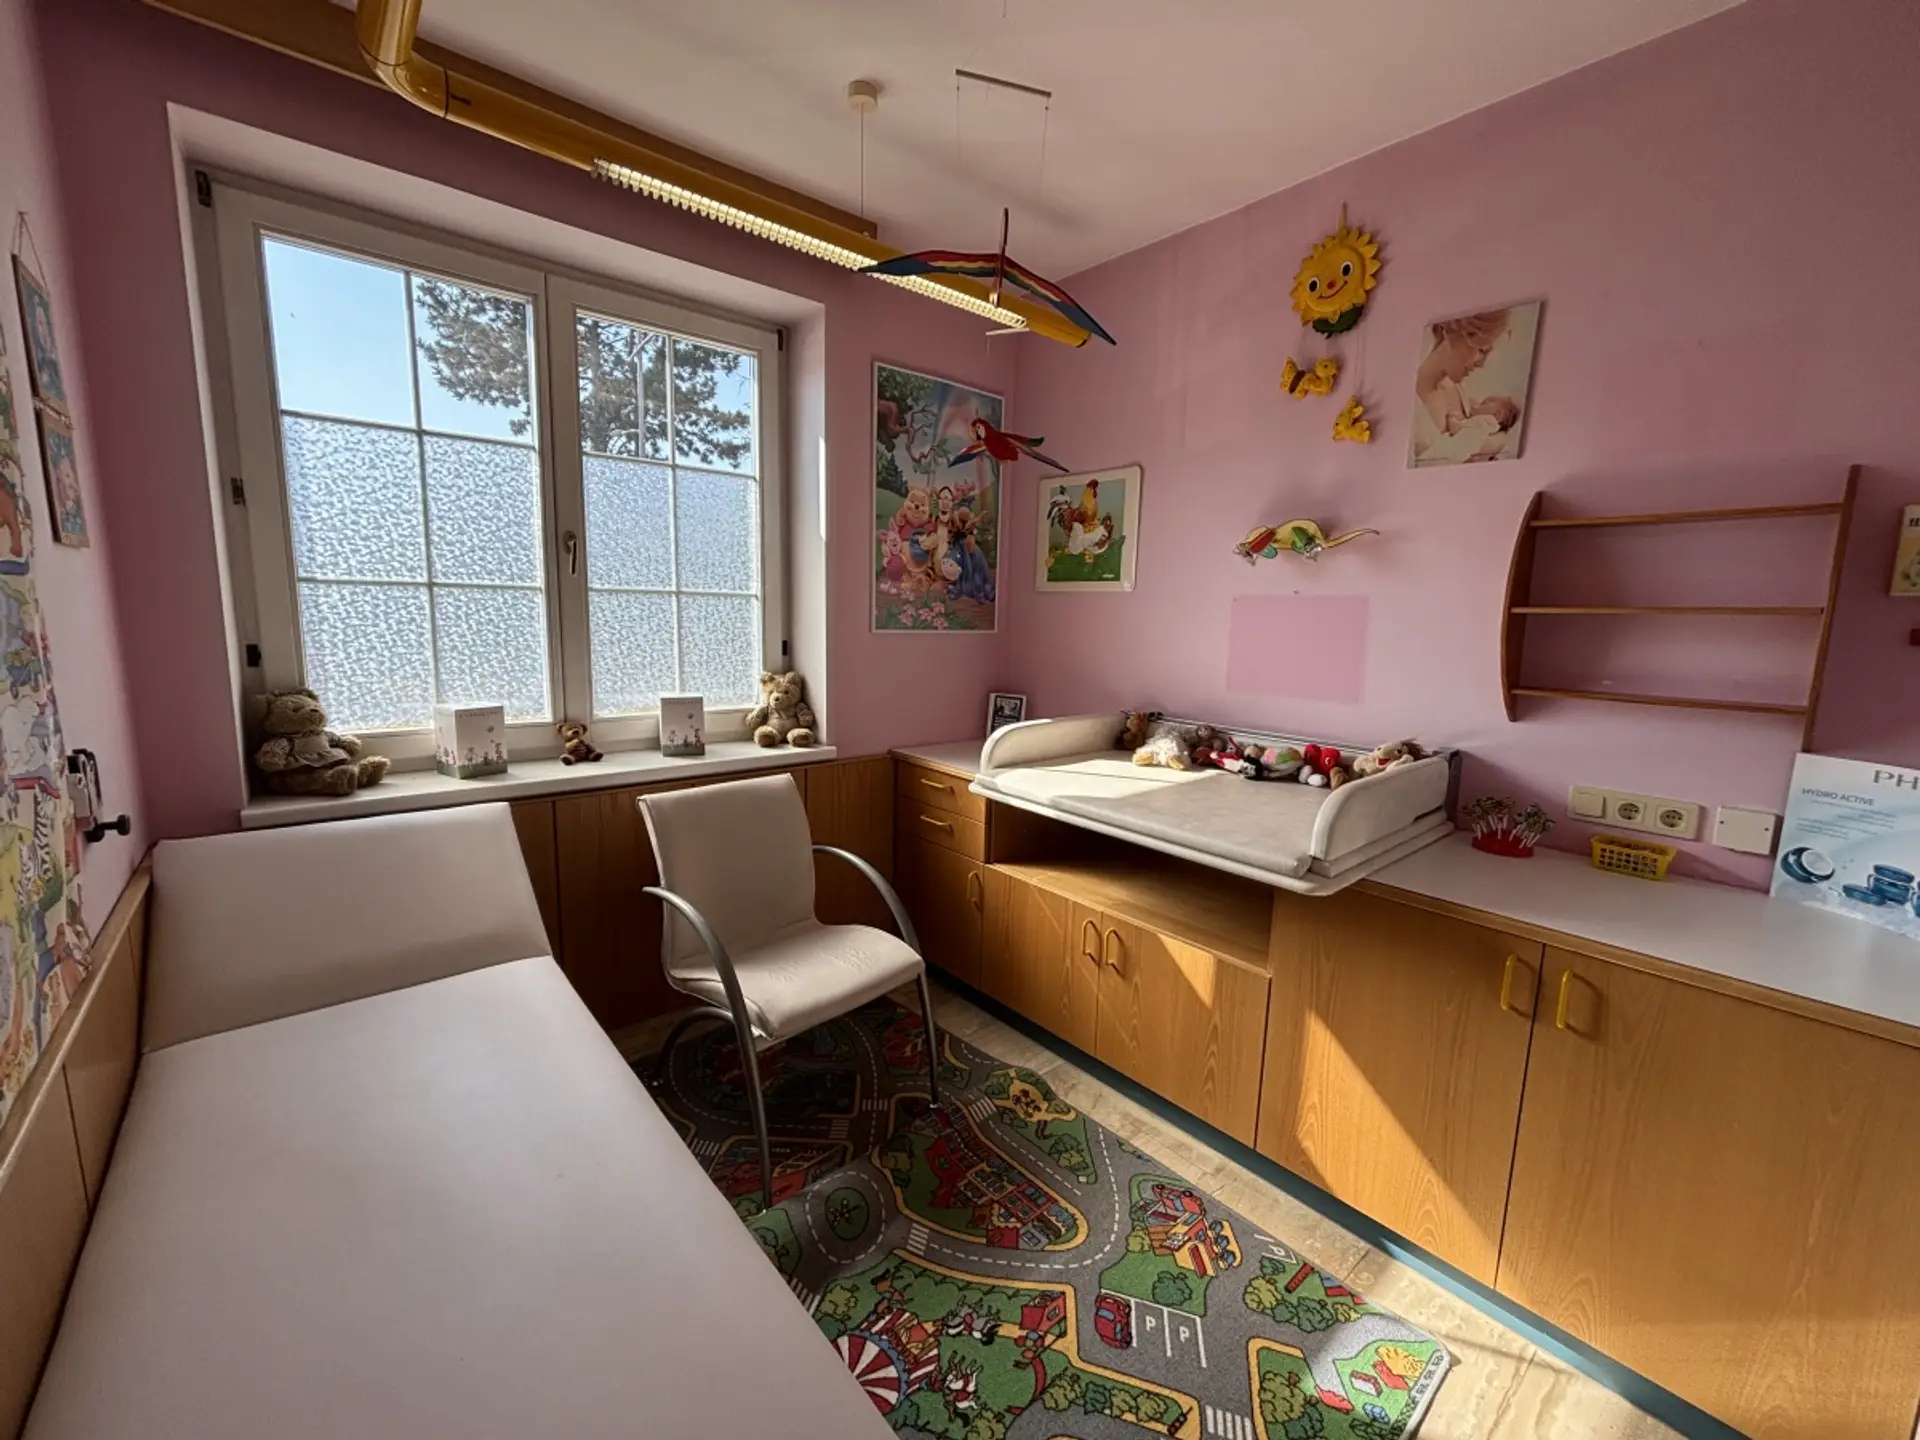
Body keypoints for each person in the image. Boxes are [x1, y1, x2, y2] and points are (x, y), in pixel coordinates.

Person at [1410, 310, 1519, 464]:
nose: (1482, 364)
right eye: (1481, 351)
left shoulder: (1460, 389)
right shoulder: (1409, 400)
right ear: (1450, 335)